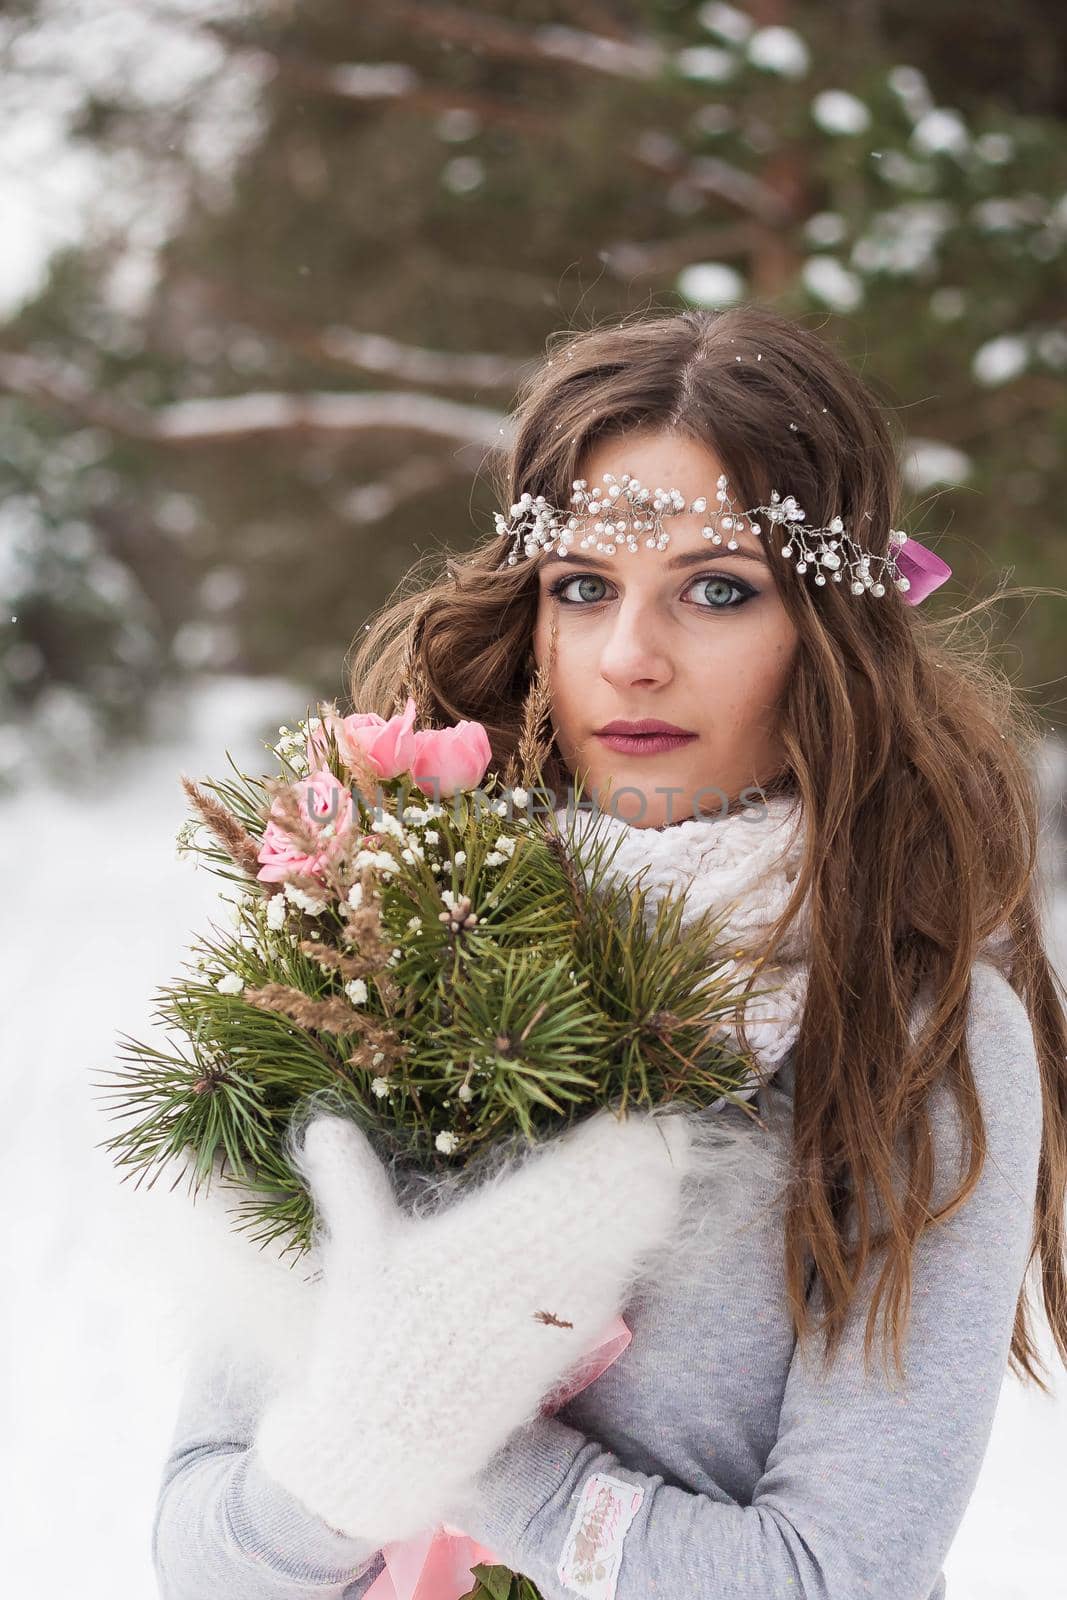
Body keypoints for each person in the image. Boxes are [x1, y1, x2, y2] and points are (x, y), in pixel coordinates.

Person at [151, 304, 1067, 1599]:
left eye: (717, 590)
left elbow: (835, 1576)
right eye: (585, 587)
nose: (632, 656)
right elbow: (201, 1550)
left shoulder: (912, 1030)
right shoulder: (393, 956)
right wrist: (338, 1464)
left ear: (829, 631)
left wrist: (460, 1443)